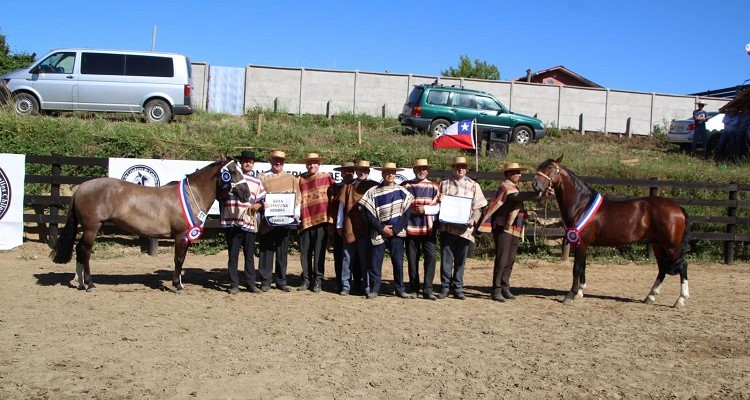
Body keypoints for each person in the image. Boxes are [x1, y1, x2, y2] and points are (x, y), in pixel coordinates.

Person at [480, 162, 544, 302]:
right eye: (516, 172)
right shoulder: (506, 187)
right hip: (504, 227)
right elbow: (516, 198)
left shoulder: (514, 188)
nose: (519, 175)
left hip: (514, 227)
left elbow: (515, 205)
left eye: (519, 172)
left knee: (510, 259)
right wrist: (537, 194)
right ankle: (496, 289)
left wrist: (525, 213)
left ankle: (505, 287)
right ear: (509, 174)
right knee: (502, 258)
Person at [359, 162, 414, 299]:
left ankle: (400, 288)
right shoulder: (373, 191)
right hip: (379, 232)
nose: (390, 174)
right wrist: (381, 228)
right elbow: (368, 214)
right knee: (375, 262)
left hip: (397, 233)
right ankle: (375, 289)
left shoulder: (403, 192)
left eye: (393, 172)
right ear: (383, 173)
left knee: (398, 262)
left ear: (395, 174)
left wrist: (395, 229)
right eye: (387, 172)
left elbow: (407, 214)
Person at [436, 156, 488, 300]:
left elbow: (479, 207)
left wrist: (474, 219)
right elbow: (437, 203)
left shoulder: (473, 185)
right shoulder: (444, 184)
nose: (460, 169)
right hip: (447, 227)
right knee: (446, 259)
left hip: (465, 229)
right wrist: (439, 201)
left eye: (463, 167)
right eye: (457, 167)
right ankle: (445, 287)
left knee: (460, 259)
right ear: (453, 168)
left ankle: (458, 288)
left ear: (466, 169)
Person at [219, 150, 266, 294]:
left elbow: (262, 200)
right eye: (245, 161)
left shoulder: (257, 182)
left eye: (250, 162)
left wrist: (259, 205)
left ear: (253, 164)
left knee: (249, 255)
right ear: (240, 163)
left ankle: (250, 283)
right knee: (233, 255)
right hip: (232, 221)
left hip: (249, 221)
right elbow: (219, 195)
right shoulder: (230, 178)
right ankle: (234, 284)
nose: (248, 163)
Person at [258, 150, 301, 292]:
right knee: (266, 250)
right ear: (271, 161)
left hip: (285, 221)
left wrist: (296, 214)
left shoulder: (291, 178)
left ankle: (281, 281)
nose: (278, 163)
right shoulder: (262, 177)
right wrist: (262, 204)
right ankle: (265, 280)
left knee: (282, 251)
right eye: (275, 160)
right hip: (267, 221)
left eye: (280, 161)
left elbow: (297, 198)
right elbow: (257, 198)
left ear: (284, 162)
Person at [336, 160, 378, 296]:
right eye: (360, 170)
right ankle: (345, 286)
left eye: (365, 170)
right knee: (347, 257)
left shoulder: (373, 187)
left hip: (366, 227)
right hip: (349, 225)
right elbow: (341, 208)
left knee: (365, 259)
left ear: (369, 171)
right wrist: (339, 225)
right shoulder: (347, 187)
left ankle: (366, 286)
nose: (362, 172)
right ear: (356, 171)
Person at [401, 158, 440, 300]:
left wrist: (425, 209)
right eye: (419, 169)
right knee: (412, 259)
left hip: (428, 227)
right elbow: (401, 205)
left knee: (430, 257)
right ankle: (414, 288)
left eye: (424, 169)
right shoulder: (405, 185)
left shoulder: (435, 187)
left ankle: (428, 289)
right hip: (410, 226)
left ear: (427, 171)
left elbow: (439, 206)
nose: (421, 171)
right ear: (414, 170)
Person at [297, 152, 335, 293]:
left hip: (321, 221)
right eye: (309, 163)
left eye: (315, 163)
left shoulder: (326, 177)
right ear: (306, 165)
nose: (312, 165)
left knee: (319, 253)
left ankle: (318, 280)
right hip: (305, 220)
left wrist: (331, 220)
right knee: (304, 253)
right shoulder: (300, 179)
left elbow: (333, 198)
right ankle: (306, 279)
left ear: (319, 165)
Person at [329, 161, 356, 294]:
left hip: (355, 225)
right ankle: (340, 282)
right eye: (345, 171)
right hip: (339, 225)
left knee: (355, 256)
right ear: (341, 173)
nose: (348, 173)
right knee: (339, 255)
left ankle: (356, 282)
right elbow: (333, 206)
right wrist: (336, 225)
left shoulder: (358, 186)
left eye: (350, 170)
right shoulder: (336, 187)